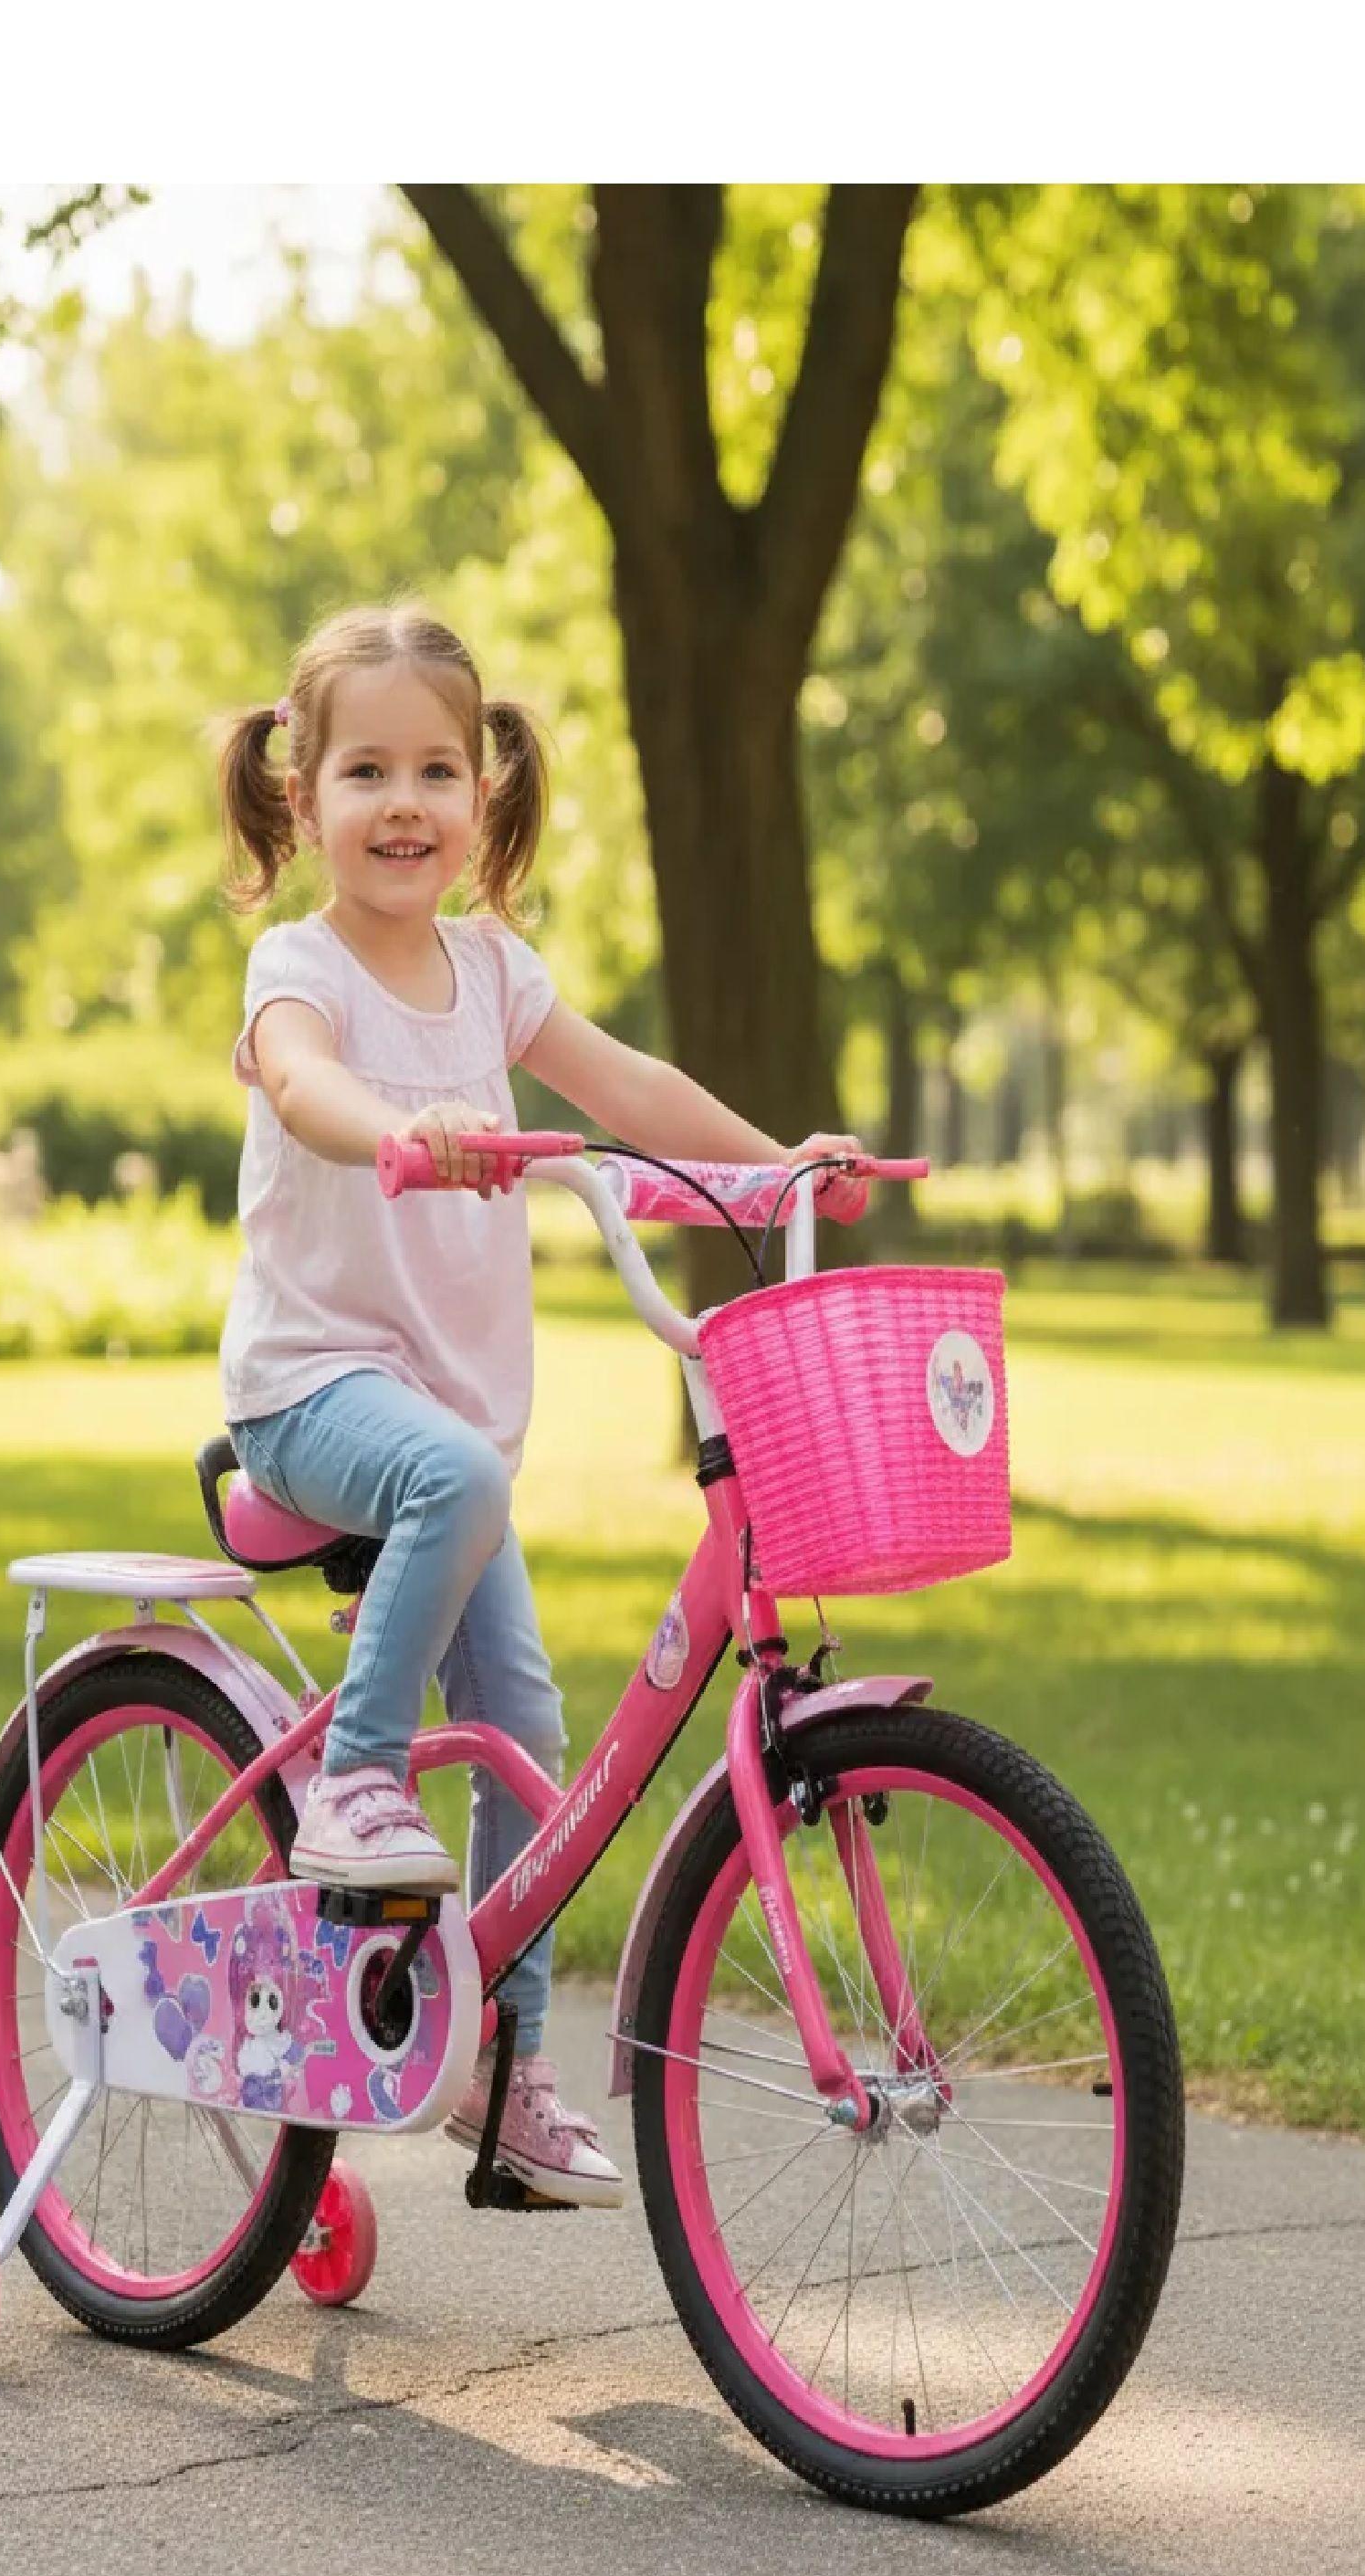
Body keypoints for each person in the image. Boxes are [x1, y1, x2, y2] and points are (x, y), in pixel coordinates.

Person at [216, 601, 858, 2204]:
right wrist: (396, 1129)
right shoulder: (294, 965)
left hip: (453, 1443)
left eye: (437, 766)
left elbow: (626, 1087)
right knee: (449, 1483)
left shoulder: (492, 970)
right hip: (314, 1397)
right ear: (306, 801)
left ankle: (505, 2074)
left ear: (483, 792)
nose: (405, 801)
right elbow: (301, 1079)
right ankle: (355, 1786)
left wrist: (770, 1165)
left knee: (533, 1735)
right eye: (366, 769)